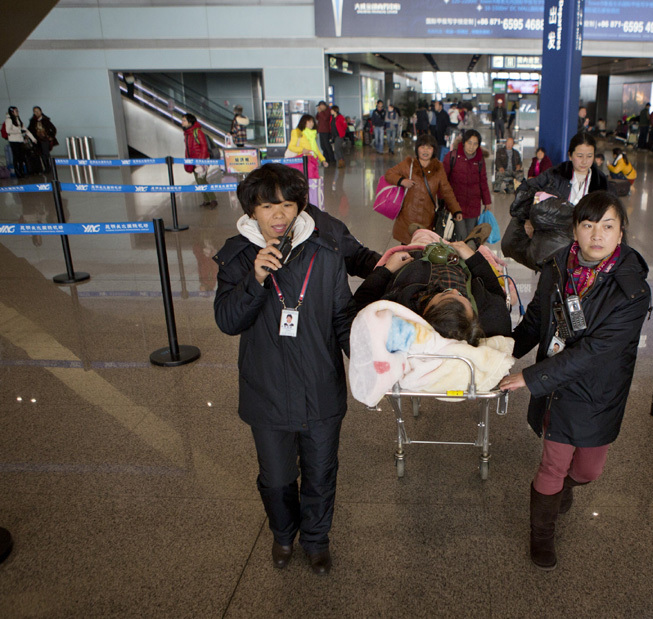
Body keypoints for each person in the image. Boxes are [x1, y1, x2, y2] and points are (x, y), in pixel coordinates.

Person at [498, 191, 651, 571]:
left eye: (607, 226)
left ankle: (564, 488)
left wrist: (530, 378)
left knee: (586, 471)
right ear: (575, 230)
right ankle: (542, 537)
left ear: (621, 233)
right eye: (588, 225)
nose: (596, 235)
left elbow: (596, 351)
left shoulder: (632, 291)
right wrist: (499, 356)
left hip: (598, 391)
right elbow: (535, 321)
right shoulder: (555, 267)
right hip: (557, 388)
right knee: (552, 465)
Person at [213, 163, 354, 575]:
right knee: (276, 479)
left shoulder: (325, 253)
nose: (278, 216)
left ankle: (316, 540)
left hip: (320, 388)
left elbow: (342, 318)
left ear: (300, 207)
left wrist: (371, 364)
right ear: (251, 211)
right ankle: (282, 534)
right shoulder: (238, 256)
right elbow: (227, 321)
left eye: (287, 205)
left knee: (320, 473)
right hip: (266, 392)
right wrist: (254, 282)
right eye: (267, 207)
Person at [351, 234, 511, 341]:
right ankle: (471, 242)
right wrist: (473, 258)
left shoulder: (398, 307)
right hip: (460, 262)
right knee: (460, 243)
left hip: (415, 257)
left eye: (443, 295)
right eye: (463, 298)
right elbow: (496, 293)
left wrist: (385, 270)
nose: (455, 291)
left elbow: (358, 307)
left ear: (425, 312)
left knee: (422, 236)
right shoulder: (492, 320)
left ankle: (421, 232)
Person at [503, 132, 608, 271]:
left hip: (586, 246)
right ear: (570, 155)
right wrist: (529, 218)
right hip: (553, 247)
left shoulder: (600, 182)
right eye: (579, 156)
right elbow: (526, 189)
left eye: (589, 156)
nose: (584, 161)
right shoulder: (556, 174)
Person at [385, 133, 462, 245]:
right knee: (406, 252)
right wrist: (402, 181)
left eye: (429, 147)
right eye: (422, 147)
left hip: (427, 220)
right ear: (417, 149)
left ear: (434, 150)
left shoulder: (438, 168)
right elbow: (389, 174)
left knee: (423, 250)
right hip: (407, 218)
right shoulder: (408, 165)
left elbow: (447, 191)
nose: (425, 151)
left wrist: (456, 210)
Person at [443, 129, 491, 239]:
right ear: (464, 142)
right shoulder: (452, 157)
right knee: (462, 235)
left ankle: (466, 256)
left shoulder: (479, 160)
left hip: (473, 204)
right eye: (469, 143)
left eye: (475, 144)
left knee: (470, 236)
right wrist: (443, 200)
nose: (471, 147)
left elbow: (483, 180)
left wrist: (487, 201)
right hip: (456, 204)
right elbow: (443, 180)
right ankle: (459, 255)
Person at [181, 113, 217, 207]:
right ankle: (206, 200)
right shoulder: (187, 133)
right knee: (198, 180)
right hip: (193, 161)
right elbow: (188, 149)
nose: (182, 122)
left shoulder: (197, 132)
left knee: (201, 180)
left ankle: (212, 199)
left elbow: (204, 147)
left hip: (201, 160)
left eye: (184, 120)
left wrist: (201, 162)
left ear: (190, 122)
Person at [3, 107, 36, 178]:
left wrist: (33, 139)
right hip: (13, 141)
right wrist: (19, 131)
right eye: (16, 111)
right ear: (12, 112)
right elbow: (8, 130)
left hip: (20, 141)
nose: (17, 112)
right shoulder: (8, 120)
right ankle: (17, 172)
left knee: (21, 157)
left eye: (17, 110)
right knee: (16, 157)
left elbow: (25, 130)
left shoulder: (18, 119)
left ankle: (21, 171)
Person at [26, 106, 57, 174]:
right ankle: (45, 167)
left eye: (38, 111)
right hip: (37, 140)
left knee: (45, 153)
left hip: (44, 140)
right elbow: (29, 130)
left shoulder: (45, 120)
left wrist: (51, 136)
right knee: (41, 154)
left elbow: (53, 128)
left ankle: (48, 167)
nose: (36, 113)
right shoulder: (33, 121)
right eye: (35, 112)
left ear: (41, 111)